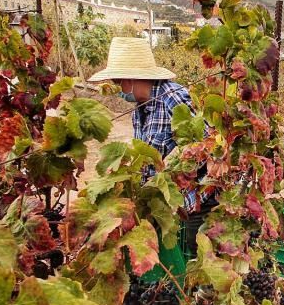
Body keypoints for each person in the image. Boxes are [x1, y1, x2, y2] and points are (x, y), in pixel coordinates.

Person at [89, 37, 212, 252]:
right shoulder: (141, 107)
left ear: (131, 79)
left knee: (196, 258)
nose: (119, 88)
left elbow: (207, 147)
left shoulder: (174, 99)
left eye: (119, 82)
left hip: (197, 202)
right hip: (168, 203)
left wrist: (178, 172)